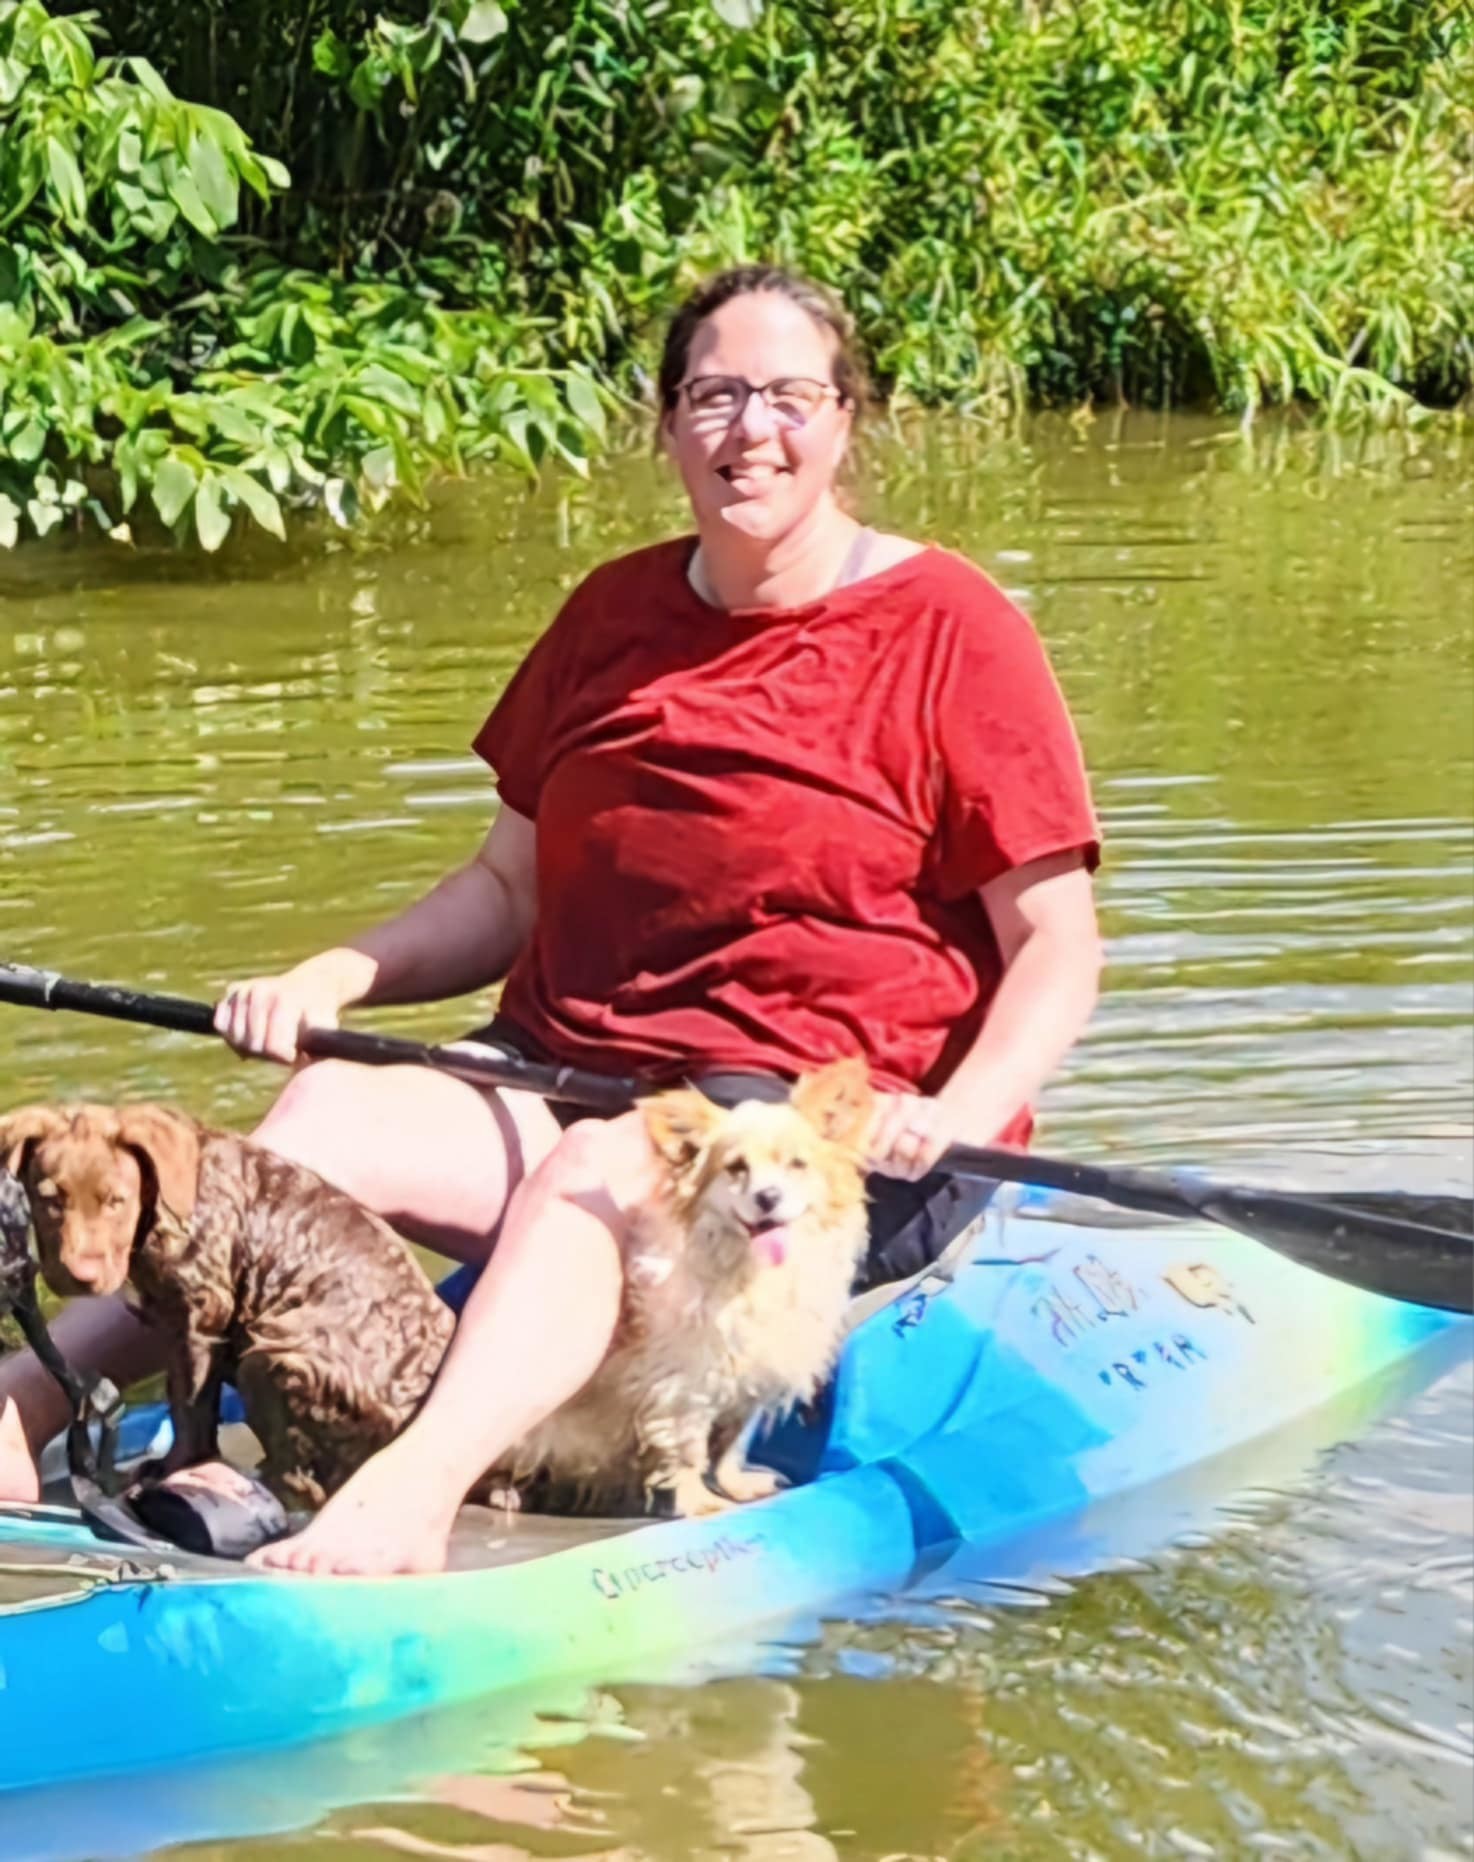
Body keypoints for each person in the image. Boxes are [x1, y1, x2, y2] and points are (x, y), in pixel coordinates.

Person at [0, 265, 1102, 1572]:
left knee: (596, 1179)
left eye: (788, 396)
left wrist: (959, 1115)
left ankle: (410, 1496)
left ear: (847, 419)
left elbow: (1054, 949)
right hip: (566, 1066)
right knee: (315, 1127)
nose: (751, 429)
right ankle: (30, 1399)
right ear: (668, 424)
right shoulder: (609, 617)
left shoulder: (954, 629)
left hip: (797, 1133)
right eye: (714, 395)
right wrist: (333, 976)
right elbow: (505, 891)